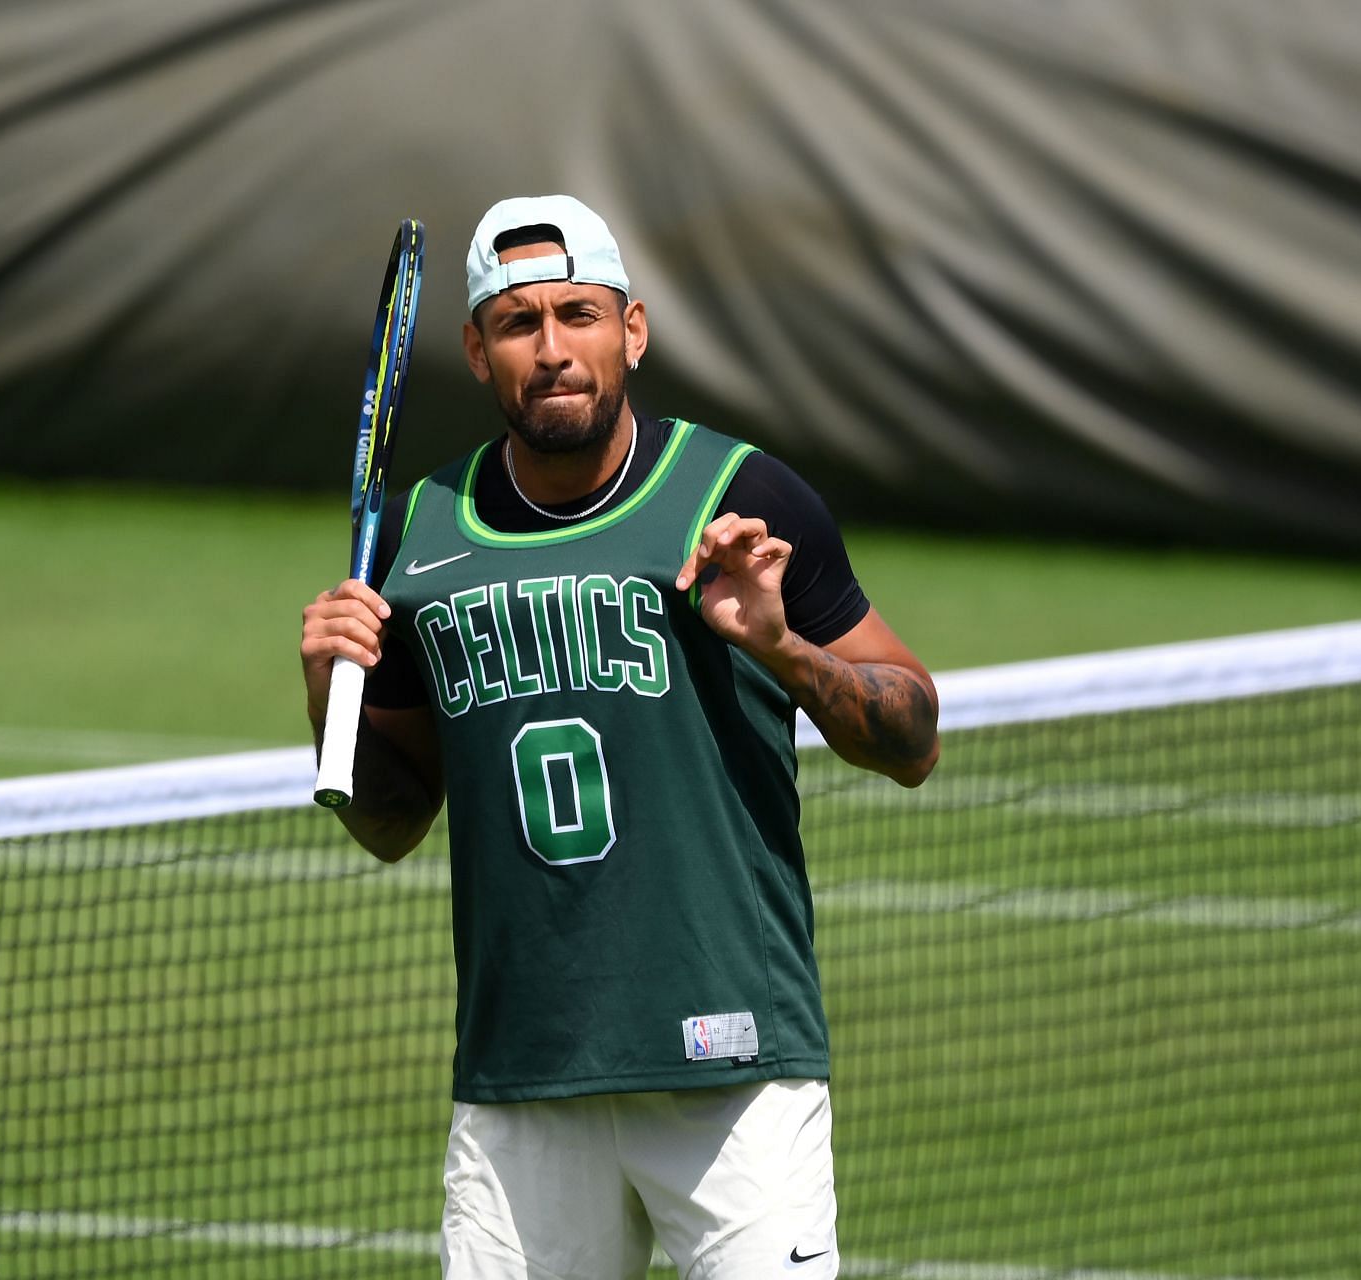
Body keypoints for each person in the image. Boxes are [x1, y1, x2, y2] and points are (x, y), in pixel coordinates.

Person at [299, 195, 939, 1279]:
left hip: (735, 1069)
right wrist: (329, 697)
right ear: (475, 348)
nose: (553, 349)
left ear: (631, 331)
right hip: (523, 1081)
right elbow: (393, 820)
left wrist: (784, 649)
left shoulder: (737, 493)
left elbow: (913, 733)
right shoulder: (417, 532)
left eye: (579, 314)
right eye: (519, 322)